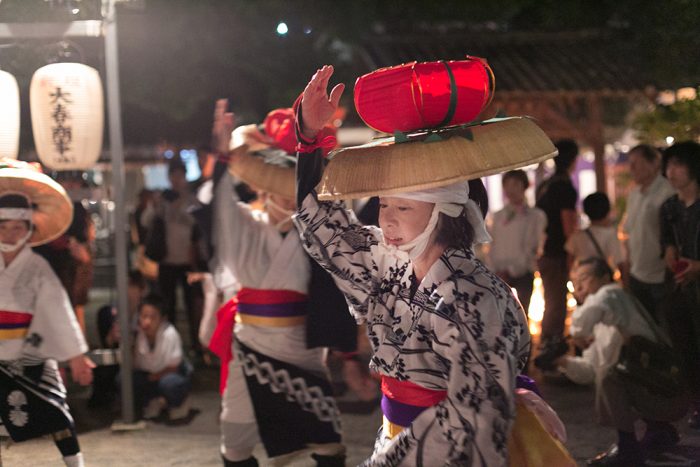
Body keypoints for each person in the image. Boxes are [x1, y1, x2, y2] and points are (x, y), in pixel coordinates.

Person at [294, 65, 572, 466]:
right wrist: (308, 138)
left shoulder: (474, 297)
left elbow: (474, 419)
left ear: (445, 211)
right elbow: (323, 228)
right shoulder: (390, 264)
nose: (386, 219)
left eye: (403, 207)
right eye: (385, 204)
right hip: (398, 436)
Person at [208, 101, 346, 466]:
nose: (287, 195)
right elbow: (217, 211)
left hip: (302, 344)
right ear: (263, 186)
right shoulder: (245, 225)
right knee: (234, 441)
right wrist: (221, 161)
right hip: (249, 341)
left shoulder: (318, 232)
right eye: (280, 185)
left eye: (294, 187)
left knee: (326, 440)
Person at [0, 160, 94, 467]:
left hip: (32, 352)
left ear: (29, 229)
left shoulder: (38, 268)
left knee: (56, 413)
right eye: (3, 227)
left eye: (18, 227)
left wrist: (77, 356)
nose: (11, 235)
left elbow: (59, 311)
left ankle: (76, 464)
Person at [558, 258, 686, 465]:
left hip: (667, 391)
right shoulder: (603, 317)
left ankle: (628, 447)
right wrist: (562, 362)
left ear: (605, 278)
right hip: (660, 390)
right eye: (574, 281)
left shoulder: (611, 294)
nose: (579, 286)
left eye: (585, 278)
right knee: (608, 373)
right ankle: (659, 430)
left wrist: (576, 332)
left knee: (611, 376)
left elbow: (581, 325)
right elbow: (590, 371)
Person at [145, 157, 204, 357]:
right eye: (173, 175)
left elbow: (199, 230)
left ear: (185, 177)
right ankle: (169, 347)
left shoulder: (192, 200)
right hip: (166, 262)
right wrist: (154, 206)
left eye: (180, 175)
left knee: (192, 306)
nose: (177, 179)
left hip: (188, 262)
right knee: (167, 306)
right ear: (169, 177)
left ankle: (196, 345)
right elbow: (145, 221)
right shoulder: (162, 199)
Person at [659, 140, 700, 430]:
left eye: (678, 165)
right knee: (685, 348)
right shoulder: (669, 207)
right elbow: (668, 244)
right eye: (669, 165)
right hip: (680, 288)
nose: (671, 172)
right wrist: (670, 255)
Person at [620, 144, 675, 320]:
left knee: (665, 329)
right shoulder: (634, 193)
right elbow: (629, 233)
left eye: (636, 163)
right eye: (630, 163)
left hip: (660, 275)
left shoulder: (668, 192)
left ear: (654, 163)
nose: (631, 169)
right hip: (637, 273)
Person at [535, 139, 579, 359]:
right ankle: (551, 347)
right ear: (573, 160)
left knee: (552, 299)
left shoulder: (546, 185)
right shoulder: (564, 186)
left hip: (543, 251)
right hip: (557, 252)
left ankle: (548, 344)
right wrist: (573, 254)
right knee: (557, 300)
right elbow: (568, 224)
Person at [487, 169, 547, 314]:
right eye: (506, 184)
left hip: (524, 271)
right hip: (499, 272)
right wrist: (494, 268)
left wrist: (523, 264)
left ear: (525, 186)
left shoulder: (536, 216)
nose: (510, 189)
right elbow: (492, 245)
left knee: (522, 313)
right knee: (500, 314)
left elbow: (534, 244)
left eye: (515, 184)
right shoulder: (497, 216)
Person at [132, 294, 193, 422]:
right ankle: (154, 401)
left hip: (169, 374)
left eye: (153, 317)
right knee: (126, 379)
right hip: (150, 375)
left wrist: (154, 376)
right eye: (144, 316)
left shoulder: (170, 334)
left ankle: (179, 402)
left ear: (162, 319)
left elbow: (174, 366)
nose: (147, 322)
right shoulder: (138, 334)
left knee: (170, 384)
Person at [565, 192, 624, 274]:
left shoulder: (577, 236)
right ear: (607, 211)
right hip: (602, 280)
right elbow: (620, 263)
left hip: (582, 279)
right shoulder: (610, 235)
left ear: (586, 212)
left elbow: (569, 261)